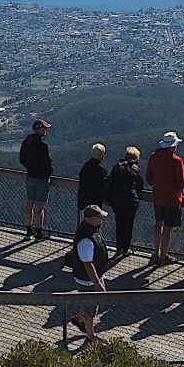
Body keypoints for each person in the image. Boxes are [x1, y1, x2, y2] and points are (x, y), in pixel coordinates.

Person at [144, 131, 184, 266]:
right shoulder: (176, 161)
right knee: (167, 228)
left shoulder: (153, 158)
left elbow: (149, 178)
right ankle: (163, 255)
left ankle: (156, 252)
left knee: (158, 224)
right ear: (173, 146)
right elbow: (182, 181)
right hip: (172, 199)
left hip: (157, 197)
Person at [69, 204, 109, 340]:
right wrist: (97, 283)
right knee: (91, 310)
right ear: (92, 219)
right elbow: (88, 264)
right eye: (99, 217)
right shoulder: (86, 239)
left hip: (94, 277)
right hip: (88, 281)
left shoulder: (90, 231)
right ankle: (91, 336)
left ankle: (79, 319)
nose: (101, 220)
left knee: (91, 305)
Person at [105, 146, 145, 260]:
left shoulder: (117, 167)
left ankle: (119, 248)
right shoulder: (135, 168)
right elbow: (140, 185)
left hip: (117, 202)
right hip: (130, 203)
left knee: (119, 224)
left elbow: (110, 181)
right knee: (128, 225)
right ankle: (125, 249)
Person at [19, 117, 53, 240]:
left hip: (30, 177)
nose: (46, 130)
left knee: (29, 204)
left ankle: (28, 231)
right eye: (44, 128)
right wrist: (48, 172)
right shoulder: (43, 145)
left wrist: (30, 168)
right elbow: (48, 162)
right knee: (39, 208)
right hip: (42, 179)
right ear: (39, 129)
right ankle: (39, 233)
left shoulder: (27, 142)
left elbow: (21, 159)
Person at [77, 142, 109, 212]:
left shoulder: (85, 167)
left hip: (84, 201)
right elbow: (105, 185)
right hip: (95, 203)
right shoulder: (101, 170)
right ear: (101, 155)